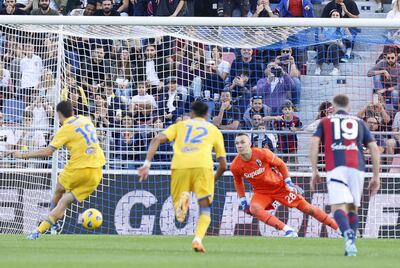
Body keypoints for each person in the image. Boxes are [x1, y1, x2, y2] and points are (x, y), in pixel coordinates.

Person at [138, 101, 227, 253]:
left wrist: (147, 164)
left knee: (180, 215)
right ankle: (197, 239)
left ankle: (183, 200)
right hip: (203, 167)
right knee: (205, 208)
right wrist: (214, 178)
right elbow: (223, 164)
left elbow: (157, 139)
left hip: (180, 167)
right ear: (207, 114)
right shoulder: (213, 130)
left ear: (192, 113)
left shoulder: (181, 125)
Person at [12, 101, 106, 240]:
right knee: (64, 202)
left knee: (58, 192)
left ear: (59, 115)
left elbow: (48, 152)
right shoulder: (85, 119)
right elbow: (79, 137)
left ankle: (51, 222)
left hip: (78, 169)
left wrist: (23, 155)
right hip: (97, 171)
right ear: (73, 112)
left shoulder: (65, 129)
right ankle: (38, 231)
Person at [310, 94, 380, 256]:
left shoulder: (326, 122)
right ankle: (351, 244)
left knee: (338, 207)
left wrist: (314, 170)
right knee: (351, 207)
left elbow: (314, 143)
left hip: (336, 166)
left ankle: (348, 236)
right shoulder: (360, 122)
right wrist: (376, 176)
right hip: (358, 168)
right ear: (349, 107)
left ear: (333, 108)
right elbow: (374, 148)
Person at [230, 133, 338, 237]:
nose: (239, 145)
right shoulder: (235, 166)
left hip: (280, 188)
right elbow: (238, 181)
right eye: (237, 143)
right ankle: (289, 231)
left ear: (249, 144)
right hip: (262, 192)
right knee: (255, 208)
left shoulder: (263, 153)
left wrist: (288, 182)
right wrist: (243, 200)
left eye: (242, 142)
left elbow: (281, 164)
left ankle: (339, 229)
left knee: (308, 209)